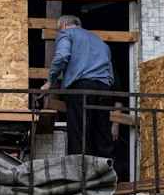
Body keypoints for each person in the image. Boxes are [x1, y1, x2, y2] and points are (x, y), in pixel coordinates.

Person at [40, 15, 119, 167]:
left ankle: (81, 180)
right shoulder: (101, 43)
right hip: (104, 90)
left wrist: (51, 80)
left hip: (82, 89)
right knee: (103, 135)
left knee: (80, 135)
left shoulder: (66, 34)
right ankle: (107, 176)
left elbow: (62, 56)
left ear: (62, 26)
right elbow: (110, 74)